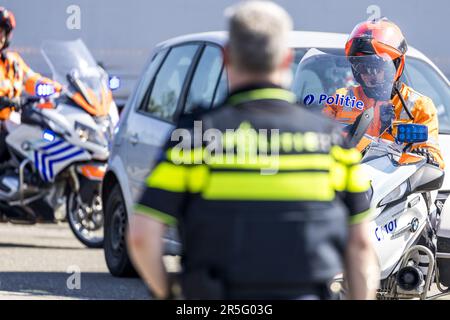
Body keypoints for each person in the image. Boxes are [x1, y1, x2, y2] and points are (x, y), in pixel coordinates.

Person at [127, 0, 378, 300]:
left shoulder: (193, 138)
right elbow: (362, 246)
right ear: (286, 59)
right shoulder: (333, 141)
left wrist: (167, 291)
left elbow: (142, 236)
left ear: (226, 57)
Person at [323, 18, 444, 168]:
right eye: (362, 67)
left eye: (375, 67)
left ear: (396, 65)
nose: (369, 74)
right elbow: (316, 139)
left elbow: (433, 156)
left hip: (395, 186)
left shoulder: (419, 105)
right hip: (347, 178)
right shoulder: (340, 99)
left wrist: (424, 157)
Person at [0, 7, 60, 161]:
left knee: (38, 136)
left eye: (2, 31)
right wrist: (5, 101)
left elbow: (32, 81)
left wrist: (59, 89)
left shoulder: (13, 62)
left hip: (12, 120)